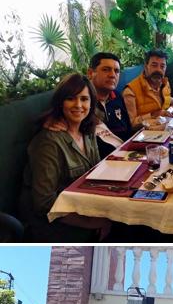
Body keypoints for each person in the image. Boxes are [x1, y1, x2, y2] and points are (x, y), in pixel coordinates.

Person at [20, 73, 111, 242]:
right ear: (61, 102)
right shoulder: (48, 142)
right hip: (57, 227)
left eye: (84, 99)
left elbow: (96, 175)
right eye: (71, 98)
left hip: (85, 207)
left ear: (91, 103)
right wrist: (94, 222)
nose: (78, 105)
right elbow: (44, 204)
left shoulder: (88, 130)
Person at [44, 53, 132, 158]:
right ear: (90, 73)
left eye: (116, 71)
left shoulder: (118, 97)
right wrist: (50, 120)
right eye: (106, 69)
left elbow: (128, 129)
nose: (112, 75)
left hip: (126, 155)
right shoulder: (81, 106)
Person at [123, 49, 173, 128]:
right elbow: (132, 124)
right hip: (143, 136)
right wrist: (152, 115)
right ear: (146, 67)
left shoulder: (164, 83)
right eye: (154, 65)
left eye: (162, 66)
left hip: (164, 128)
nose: (158, 70)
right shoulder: (130, 91)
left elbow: (163, 100)